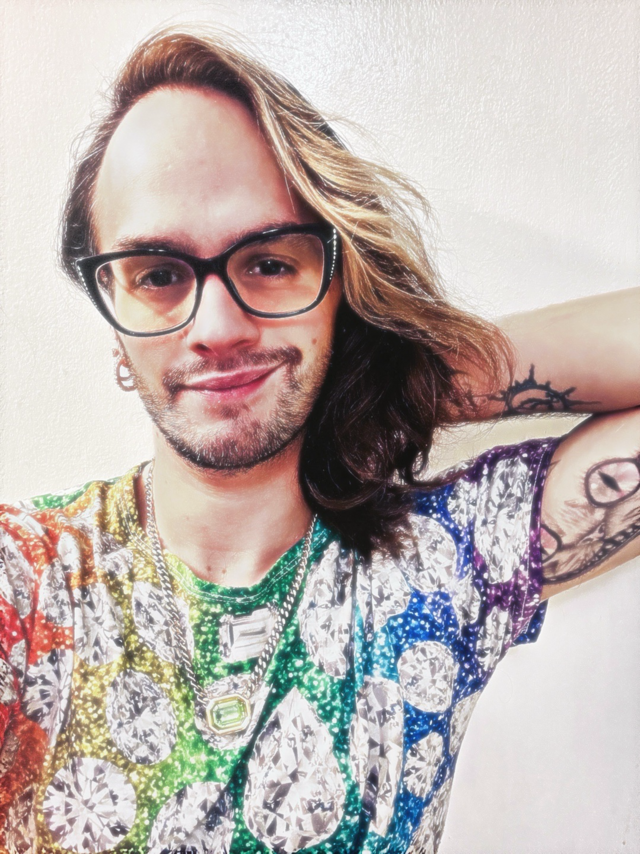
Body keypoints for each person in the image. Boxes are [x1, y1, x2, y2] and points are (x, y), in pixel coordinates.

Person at [0, 26, 638, 854]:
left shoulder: (443, 564)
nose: (217, 328)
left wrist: (396, 375)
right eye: (158, 274)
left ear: (338, 283)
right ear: (112, 313)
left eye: (269, 261)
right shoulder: (32, 583)